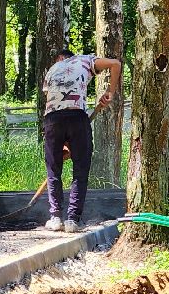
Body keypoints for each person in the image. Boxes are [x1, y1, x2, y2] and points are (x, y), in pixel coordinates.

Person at [41, 48, 121, 233]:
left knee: (54, 170)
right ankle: (72, 220)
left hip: (52, 120)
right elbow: (115, 64)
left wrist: (63, 142)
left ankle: (55, 218)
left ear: (60, 58)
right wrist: (110, 92)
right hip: (77, 118)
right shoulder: (86, 60)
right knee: (80, 170)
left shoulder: (52, 69)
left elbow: (54, 102)